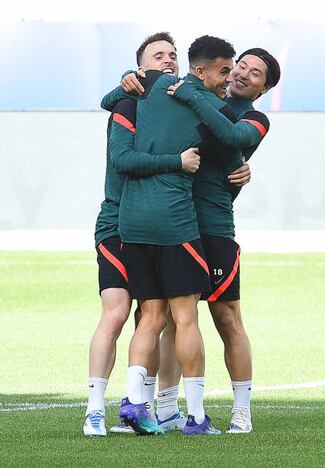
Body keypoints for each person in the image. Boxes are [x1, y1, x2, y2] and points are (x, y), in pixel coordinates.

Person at [104, 45, 280, 434]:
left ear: (263, 89)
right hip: (174, 222)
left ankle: (241, 410)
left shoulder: (254, 119)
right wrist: (127, 84)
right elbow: (119, 102)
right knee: (162, 317)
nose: (242, 74)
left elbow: (227, 139)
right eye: (240, 67)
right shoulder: (189, 95)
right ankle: (163, 407)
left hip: (212, 227)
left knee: (226, 318)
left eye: (254, 74)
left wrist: (187, 94)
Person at [83, 32, 200, 437]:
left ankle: (155, 405)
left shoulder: (178, 105)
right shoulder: (128, 101)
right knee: (116, 314)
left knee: (160, 317)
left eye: (173, 55)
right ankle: (95, 408)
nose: (168, 60)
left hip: (154, 228)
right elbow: (123, 158)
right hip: (117, 224)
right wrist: (175, 162)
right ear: (141, 66)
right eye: (158, 55)